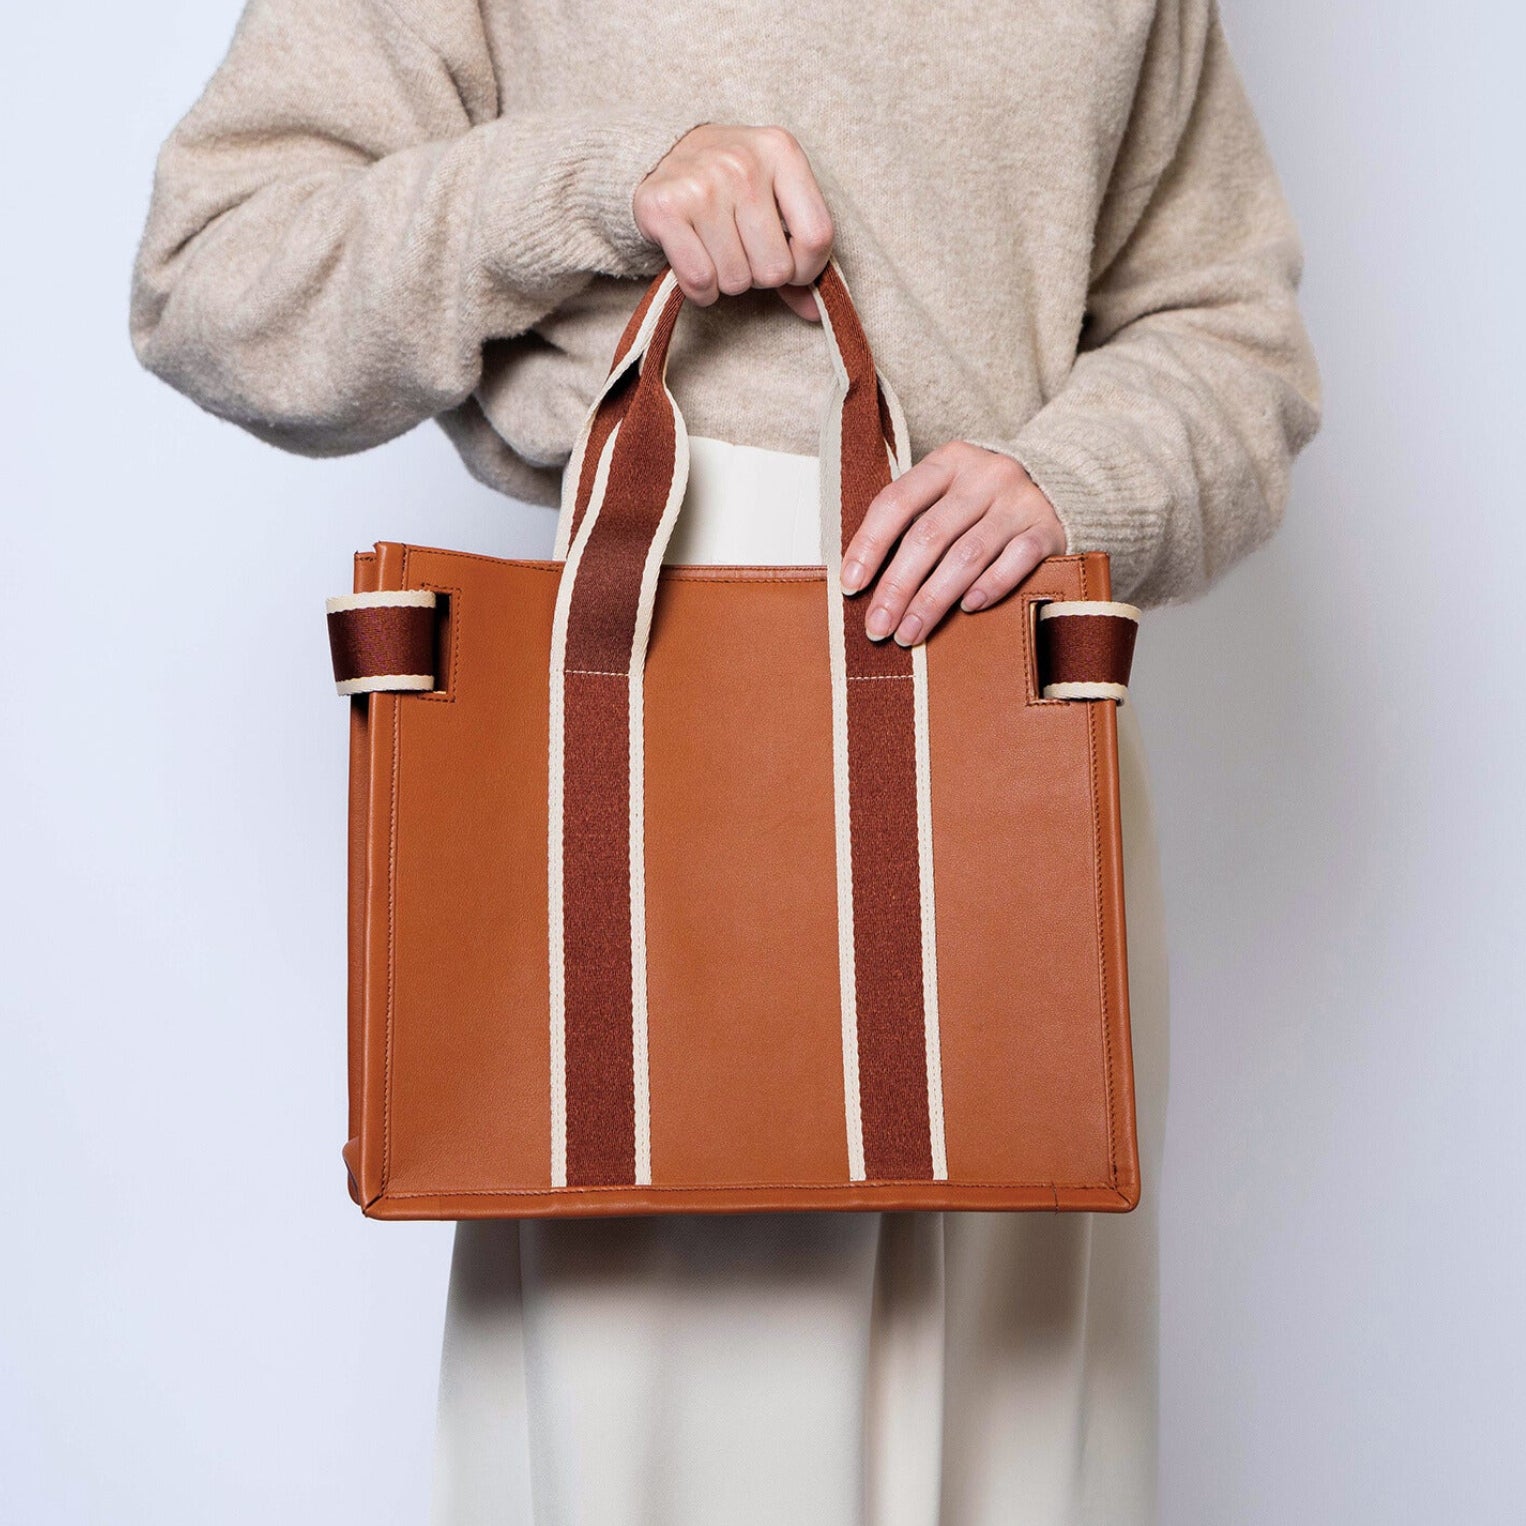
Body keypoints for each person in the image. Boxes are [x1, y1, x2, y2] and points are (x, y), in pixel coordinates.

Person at [130, 2, 1320, 1520]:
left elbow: (1231, 332)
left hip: (1004, 720)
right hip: (661, 718)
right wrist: (592, 190)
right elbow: (213, 274)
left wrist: (1070, 482)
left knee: (1012, 1452)